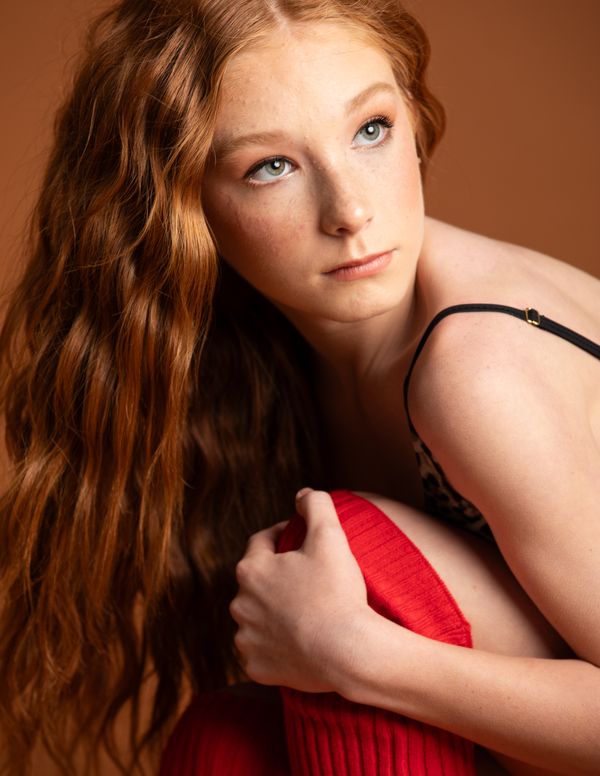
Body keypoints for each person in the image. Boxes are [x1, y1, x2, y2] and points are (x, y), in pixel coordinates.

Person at [0, 0, 598, 774]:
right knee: (224, 746)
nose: (351, 211)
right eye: (271, 167)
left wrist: (357, 654)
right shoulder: (252, 344)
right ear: (181, 205)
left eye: (371, 129)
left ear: (413, 116)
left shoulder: (480, 371)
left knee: (352, 565)